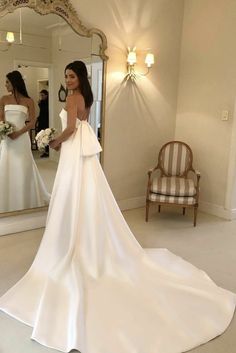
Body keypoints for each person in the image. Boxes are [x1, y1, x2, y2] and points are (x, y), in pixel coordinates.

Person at [0, 61, 235, 353]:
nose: (68, 80)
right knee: (83, 195)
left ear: (80, 77)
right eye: (66, 77)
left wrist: (55, 141)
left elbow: (72, 128)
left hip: (74, 151)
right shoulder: (86, 97)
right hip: (84, 153)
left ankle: (73, 242)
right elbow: (80, 125)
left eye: (72, 76)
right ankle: (84, 236)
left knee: (71, 194)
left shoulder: (73, 98)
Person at [0, 70, 50, 213]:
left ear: (15, 83)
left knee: (23, 167)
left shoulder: (29, 101)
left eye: (7, 82)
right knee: (6, 166)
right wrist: (7, 131)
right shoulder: (3, 99)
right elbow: (1, 118)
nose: (5, 84)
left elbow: (32, 121)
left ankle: (25, 199)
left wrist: (19, 133)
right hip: (8, 139)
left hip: (21, 139)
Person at [37, 89, 49, 158]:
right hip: (41, 120)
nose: (41, 97)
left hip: (46, 121)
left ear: (46, 95)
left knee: (46, 135)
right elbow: (41, 112)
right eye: (40, 95)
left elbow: (46, 111)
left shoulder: (48, 102)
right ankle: (44, 151)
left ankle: (47, 151)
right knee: (41, 135)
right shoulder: (41, 102)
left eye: (42, 95)